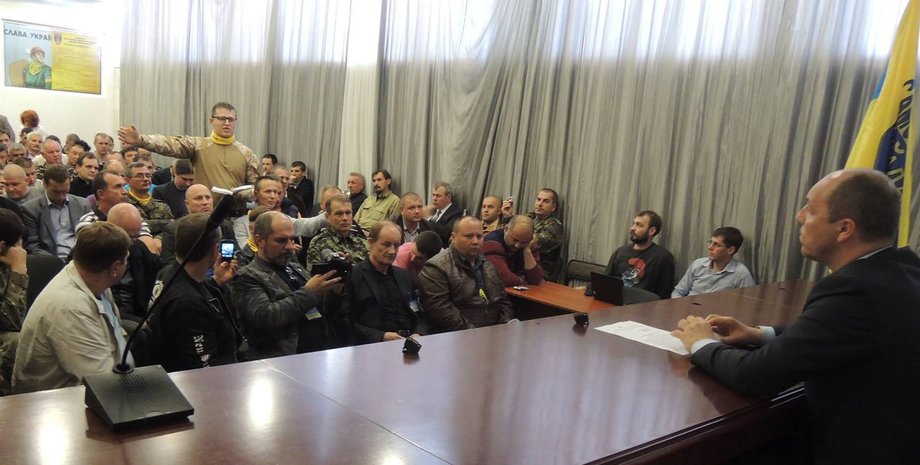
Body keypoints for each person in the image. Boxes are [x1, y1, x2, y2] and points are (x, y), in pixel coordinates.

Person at [672, 169, 920, 465]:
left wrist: (701, 343)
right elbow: (833, 333)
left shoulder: (854, 289)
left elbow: (755, 377)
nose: (799, 217)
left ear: (844, 229)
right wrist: (760, 334)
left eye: (810, 209)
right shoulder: (903, 270)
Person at [13, 222, 133, 394]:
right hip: (56, 403)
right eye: (126, 260)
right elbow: (103, 384)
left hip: (94, 388)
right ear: (115, 268)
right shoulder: (70, 308)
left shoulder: (95, 281)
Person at [230, 212, 341, 359]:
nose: (290, 246)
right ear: (260, 241)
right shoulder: (247, 276)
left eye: (292, 239)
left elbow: (322, 308)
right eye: (281, 240)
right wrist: (309, 292)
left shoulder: (295, 267)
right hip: (281, 360)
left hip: (319, 352)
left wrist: (335, 291)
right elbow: (266, 317)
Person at [151, 213, 243, 372]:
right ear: (215, 250)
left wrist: (217, 283)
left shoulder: (167, 273)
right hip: (203, 379)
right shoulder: (188, 302)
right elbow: (203, 367)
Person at [117, 102, 260, 195]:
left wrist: (240, 195)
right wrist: (140, 140)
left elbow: (257, 188)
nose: (227, 123)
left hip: (236, 216)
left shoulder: (246, 153)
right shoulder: (198, 145)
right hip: (204, 214)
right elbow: (169, 144)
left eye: (231, 119)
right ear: (211, 121)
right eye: (222, 118)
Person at [417, 216, 513, 332]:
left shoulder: (488, 264)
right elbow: (441, 311)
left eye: (479, 236)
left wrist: (503, 327)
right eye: (469, 236)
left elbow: (504, 301)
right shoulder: (435, 267)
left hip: (494, 332)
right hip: (459, 335)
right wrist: (474, 333)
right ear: (453, 237)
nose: (475, 241)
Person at [348, 221, 427, 345]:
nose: (392, 251)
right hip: (374, 346)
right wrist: (381, 337)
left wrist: (418, 333)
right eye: (386, 245)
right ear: (371, 243)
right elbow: (346, 323)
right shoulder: (353, 276)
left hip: (411, 342)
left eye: (396, 245)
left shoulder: (404, 276)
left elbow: (420, 315)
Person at [22, 165, 91, 259]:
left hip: (81, 257)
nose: (61, 196)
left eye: (64, 191)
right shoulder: (31, 209)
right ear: (44, 184)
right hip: (50, 259)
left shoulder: (83, 205)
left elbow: (91, 238)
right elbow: (32, 245)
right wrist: (53, 262)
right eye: (56, 192)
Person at [159, 184, 236, 266]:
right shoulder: (173, 229)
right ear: (187, 204)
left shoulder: (225, 225)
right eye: (199, 198)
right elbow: (169, 264)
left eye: (208, 197)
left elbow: (238, 254)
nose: (205, 202)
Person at [604, 210, 675, 299]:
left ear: (651, 231)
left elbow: (663, 295)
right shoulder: (620, 252)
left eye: (639, 225)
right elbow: (604, 281)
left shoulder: (663, 258)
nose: (632, 228)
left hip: (643, 305)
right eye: (634, 224)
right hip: (614, 301)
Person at [671, 227, 755, 297]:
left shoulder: (741, 274)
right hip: (688, 309)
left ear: (730, 250)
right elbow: (678, 292)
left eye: (716, 245)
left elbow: (748, 304)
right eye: (710, 242)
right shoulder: (698, 264)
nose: (710, 247)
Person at [0, 209, 28, 395]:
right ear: (2, 246)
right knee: (16, 341)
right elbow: (13, 320)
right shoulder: (14, 265)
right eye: (19, 243)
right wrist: (19, 270)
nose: (22, 249)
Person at [306, 194, 369, 267]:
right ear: (327, 217)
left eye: (348, 213)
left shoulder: (363, 243)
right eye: (339, 214)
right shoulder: (318, 244)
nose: (345, 218)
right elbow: (314, 273)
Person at [481, 215, 543, 287]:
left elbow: (536, 279)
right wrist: (523, 281)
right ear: (506, 229)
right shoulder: (491, 242)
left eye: (523, 242)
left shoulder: (529, 243)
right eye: (515, 240)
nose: (517, 245)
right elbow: (503, 278)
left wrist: (527, 251)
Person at [125, 162, 174, 235]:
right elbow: (133, 227)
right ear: (127, 181)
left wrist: (158, 238)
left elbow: (171, 228)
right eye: (139, 176)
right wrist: (163, 223)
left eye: (148, 176)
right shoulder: (124, 205)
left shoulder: (162, 206)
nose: (145, 179)